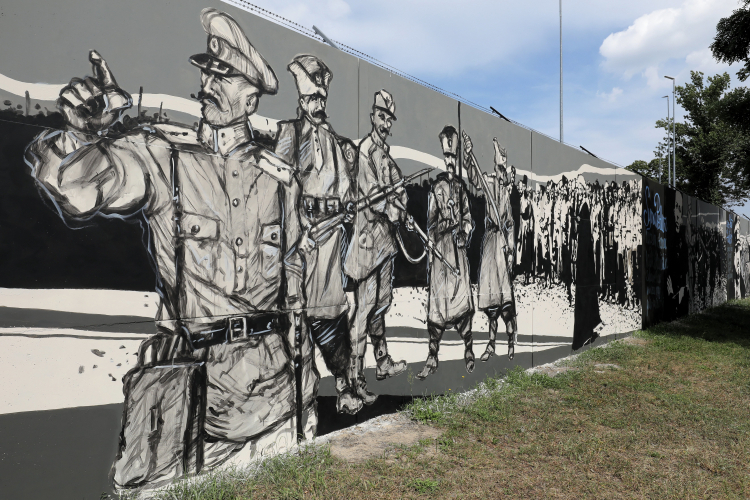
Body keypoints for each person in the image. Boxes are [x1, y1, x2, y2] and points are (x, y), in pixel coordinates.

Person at [24, 8, 318, 484]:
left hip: (276, 402)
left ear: (250, 96)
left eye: (224, 77)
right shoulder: (163, 158)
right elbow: (77, 191)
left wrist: (305, 405)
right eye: (207, 73)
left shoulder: (281, 183)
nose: (208, 85)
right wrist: (85, 132)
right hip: (192, 407)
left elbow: (297, 294)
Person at [273, 55, 361, 415]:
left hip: (330, 241)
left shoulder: (337, 143)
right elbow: (278, 191)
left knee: (331, 313)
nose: (319, 104)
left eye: (322, 99)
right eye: (313, 99)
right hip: (300, 242)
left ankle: (342, 384)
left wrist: (349, 208)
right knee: (294, 316)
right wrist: (298, 234)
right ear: (301, 100)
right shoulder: (288, 134)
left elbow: (346, 189)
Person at [343, 90, 410, 402]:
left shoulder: (385, 154)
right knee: (364, 308)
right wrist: (396, 209)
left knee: (381, 305)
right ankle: (355, 378)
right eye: (381, 116)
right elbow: (374, 197)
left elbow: (399, 188)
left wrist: (403, 210)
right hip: (368, 243)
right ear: (372, 116)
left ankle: (382, 362)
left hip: (386, 242)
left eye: (389, 119)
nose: (385, 123)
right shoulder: (366, 151)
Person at [417, 125, 475, 380]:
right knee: (438, 306)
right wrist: (431, 245)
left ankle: (469, 349)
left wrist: (465, 229)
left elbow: (468, 218)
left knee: (462, 299)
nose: (450, 162)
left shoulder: (461, 189)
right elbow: (430, 222)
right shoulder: (436, 187)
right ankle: (432, 355)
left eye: (454, 157)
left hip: (458, 251)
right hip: (441, 251)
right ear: (443, 156)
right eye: (448, 157)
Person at [463, 133, 518, 360]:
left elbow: (511, 224)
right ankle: (491, 344)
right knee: (491, 300)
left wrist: (511, 249)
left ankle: (512, 340)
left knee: (505, 299)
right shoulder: (489, 182)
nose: (502, 174)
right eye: (500, 168)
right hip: (489, 242)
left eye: (504, 169)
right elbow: (475, 179)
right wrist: (468, 155)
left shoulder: (506, 192)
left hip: (502, 246)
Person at [571, 175, 603, 350]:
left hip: (585, 258)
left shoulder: (584, 207)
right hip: (584, 257)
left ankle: (585, 332)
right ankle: (589, 328)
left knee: (584, 293)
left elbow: (584, 234)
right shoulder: (583, 206)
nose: (576, 190)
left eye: (578, 187)